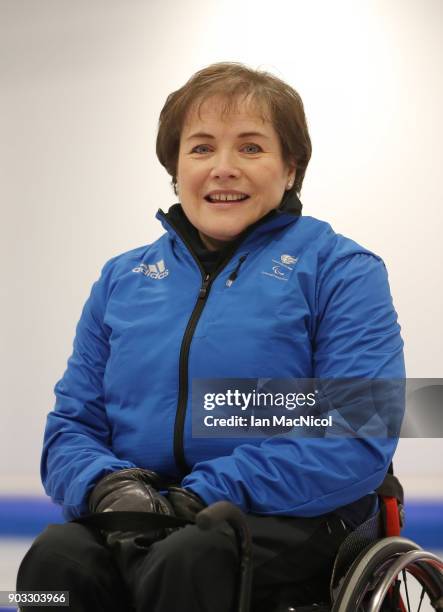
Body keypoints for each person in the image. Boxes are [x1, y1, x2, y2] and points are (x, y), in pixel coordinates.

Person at [17, 62, 405, 612]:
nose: (224, 169)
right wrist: (106, 487)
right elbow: (72, 426)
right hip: (138, 510)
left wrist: (200, 494)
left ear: (290, 168)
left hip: (288, 519)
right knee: (54, 567)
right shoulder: (121, 279)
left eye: (251, 148)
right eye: (201, 149)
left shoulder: (342, 270)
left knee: (191, 560)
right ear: (175, 169)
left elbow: (355, 436)